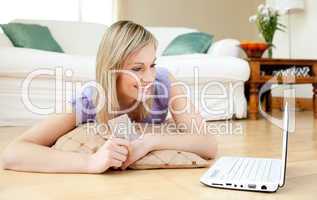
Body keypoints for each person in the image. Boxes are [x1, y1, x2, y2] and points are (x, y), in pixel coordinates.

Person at [0, 21, 217, 173]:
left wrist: (151, 141)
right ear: (112, 69)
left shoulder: (164, 82)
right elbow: (13, 153)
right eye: (137, 68)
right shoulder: (91, 100)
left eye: (152, 65)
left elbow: (208, 144)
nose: (149, 77)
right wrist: (91, 162)